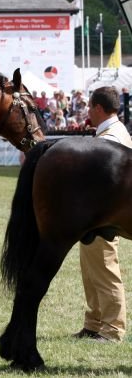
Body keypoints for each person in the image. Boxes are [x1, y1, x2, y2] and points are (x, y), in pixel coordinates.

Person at [74, 86, 132, 343]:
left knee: (105, 270)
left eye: (89, 106)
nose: (88, 111)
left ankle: (112, 329)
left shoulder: (111, 138)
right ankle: (94, 322)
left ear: (98, 108)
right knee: (92, 270)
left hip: (103, 215)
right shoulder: (114, 132)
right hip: (98, 215)